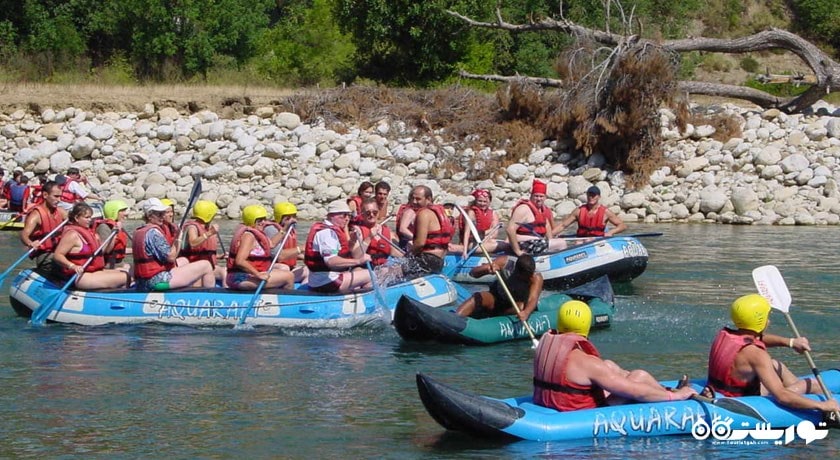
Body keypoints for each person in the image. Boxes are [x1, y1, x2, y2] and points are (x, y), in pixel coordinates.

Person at [533, 300, 698, 411]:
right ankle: (676, 395)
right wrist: (673, 396)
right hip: (581, 412)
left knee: (609, 365)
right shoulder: (587, 363)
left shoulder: (544, 345)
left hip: (553, 401)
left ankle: (666, 390)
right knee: (639, 376)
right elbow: (636, 392)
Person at [706, 294, 840, 413]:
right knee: (811, 383)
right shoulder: (757, 355)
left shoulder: (725, 335)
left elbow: (755, 338)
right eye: (767, 316)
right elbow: (782, 396)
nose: (769, 320)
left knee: (775, 365)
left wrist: (791, 342)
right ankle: (833, 407)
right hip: (744, 401)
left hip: (724, 391)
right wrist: (822, 405)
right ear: (760, 320)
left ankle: (799, 393)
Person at [132, 198, 215, 291]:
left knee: (184, 260)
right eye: (159, 214)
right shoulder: (153, 233)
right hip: (155, 281)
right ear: (149, 216)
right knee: (206, 265)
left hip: (142, 280)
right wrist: (178, 238)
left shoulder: (140, 230)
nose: (162, 217)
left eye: (163, 213)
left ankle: (194, 291)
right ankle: (210, 298)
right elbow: (171, 257)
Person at [52, 203, 131, 289]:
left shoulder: (91, 233)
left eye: (90, 217)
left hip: (92, 272)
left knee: (128, 273)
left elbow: (104, 251)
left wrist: (113, 235)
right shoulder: (72, 235)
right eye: (86, 217)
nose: (90, 220)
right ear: (76, 218)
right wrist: (72, 266)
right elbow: (58, 255)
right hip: (79, 276)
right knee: (126, 277)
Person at [303, 200, 372, 293]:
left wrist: (353, 240)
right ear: (332, 215)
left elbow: (341, 253)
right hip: (326, 282)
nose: (347, 219)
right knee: (371, 275)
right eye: (344, 215)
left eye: (349, 215)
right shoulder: (327, 233)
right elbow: (331, 261)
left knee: (358, 273)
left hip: (321, 279)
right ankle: (366, 303)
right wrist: (358, 261)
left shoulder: (330, 230)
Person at [226, 205, 295, 291]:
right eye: (259, 221)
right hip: (240, 279)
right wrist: (258, 274)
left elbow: (272, 244)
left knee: (284, 271)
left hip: (248, 275)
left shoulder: (257, 234)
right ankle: (286, 302)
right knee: (289, 276)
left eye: (264, 219)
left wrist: (285, 228)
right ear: (251, 221)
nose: (263, 222)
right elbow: (240, 261)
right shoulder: (248, 236)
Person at [455, 254, 542, 322]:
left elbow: (533, 298)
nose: (529, 278)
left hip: (515, 306)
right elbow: (473, 273)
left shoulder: (535, 277)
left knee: (521, 307)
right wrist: (487, 269)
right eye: (525, 276)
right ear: (517, 271)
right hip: (496, 299)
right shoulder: (505, 262)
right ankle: (455, 319)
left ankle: (498, 318)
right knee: (478, 297)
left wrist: (526, 313)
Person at [402, 185, 453, 278]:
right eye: (412, 198)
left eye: (418, 199)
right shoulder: (442, 213)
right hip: (439, 261)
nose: (414, 202)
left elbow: (420, 243)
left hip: (427, 260)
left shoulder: (424, 214)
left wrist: (406, 257)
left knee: (392, 270)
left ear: (428, 199)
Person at [506, 179, 567, 257]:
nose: (538, 199)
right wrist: (517, 251)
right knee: (562, 243)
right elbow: (510, 229)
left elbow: (546, 227)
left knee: (557, 242)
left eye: (541, 196)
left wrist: (551, 240)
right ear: (531, 196)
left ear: (545, 197)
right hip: (523, 244)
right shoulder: (523, 209)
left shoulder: (543, 210)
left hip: (537, 242)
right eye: (536, 196)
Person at [20, 181, 67, 270]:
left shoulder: (61, 212)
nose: (59, 200)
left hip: (60, 251)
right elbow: (24, 234)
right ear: (45, 195)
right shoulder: (36, 215)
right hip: (44, 255)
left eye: (60, 196)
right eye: (56, 196)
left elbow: (73, 221)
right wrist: (30, 243)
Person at [181, 200, 227, 285]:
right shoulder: (192, 227)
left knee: (224, 272)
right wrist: (209, 233)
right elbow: (193, 243)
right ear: (208, 215)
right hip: (194, 268)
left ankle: (226, 295)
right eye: (213, 215)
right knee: (199, 281)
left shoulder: (206, 228)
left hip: (209, 267)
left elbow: (203, 251)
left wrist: (219, 256)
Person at [553, 185, 627, 238]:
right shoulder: (578, 211)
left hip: (598, 241)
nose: (591, 197)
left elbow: (622, 225)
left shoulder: (606, 212)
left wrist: (610, 232)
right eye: (589, 195)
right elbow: (563, 225)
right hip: (582, 240)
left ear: (599, 197)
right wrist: (550, 235)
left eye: (594, 195)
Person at [263, 201, 308, 284]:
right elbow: (279, 256)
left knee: (307, 270)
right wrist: (301, 248)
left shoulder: (290, 230)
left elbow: (291, 252)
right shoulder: (271, 229)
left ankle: (303, 293)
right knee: (284, 268)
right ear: (280, 218)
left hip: (288, 267)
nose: (293, 220)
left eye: (294, 216)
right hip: (271, 267)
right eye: (288, 218)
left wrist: (308, 258)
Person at [351, 198, 401, 266]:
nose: (371, 215)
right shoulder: (357, 231)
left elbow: (394, 252)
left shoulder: (388, 232)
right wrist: (369, 238)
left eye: (375, 212)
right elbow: (356, 256)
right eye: (368, 213)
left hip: (384, 265)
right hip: (365, 267)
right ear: (362, 214)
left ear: (378, 213)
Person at [461, 188, 508, 257]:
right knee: (503, 246)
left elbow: (494, 234)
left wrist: (485, 236)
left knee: (506, 243)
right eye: (480, 201)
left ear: (489, 202)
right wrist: (464, 251)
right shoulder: (471, 213)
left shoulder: (493, 214)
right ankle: (459, 249)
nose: (482, 204)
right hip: (472, 243)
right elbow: (467, 232)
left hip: (486, 241)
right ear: (476, 201)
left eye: (485, 201)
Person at [94, 200, 130, 269]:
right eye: (122, 211)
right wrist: (114, 233)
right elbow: (106, 250)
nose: (126, 214)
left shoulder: (117, 225)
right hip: (110, 265)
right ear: (114, 212)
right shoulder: (104, 227)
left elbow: (118, 250)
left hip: (119, 263)